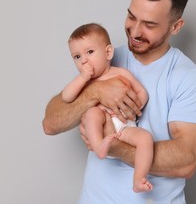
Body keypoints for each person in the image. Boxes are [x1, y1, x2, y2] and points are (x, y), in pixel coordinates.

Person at [43, 0, 196, 203]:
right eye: (132, 17)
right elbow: (51, 123)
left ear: (176, 27)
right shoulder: (104, 60)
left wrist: (117, 148)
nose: (134, 32)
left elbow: (187, 160)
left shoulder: (189, 79)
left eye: (150, 24)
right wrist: (95, 92)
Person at [61, 23, 153, 192]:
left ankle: (138, 179)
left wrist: (132, 110)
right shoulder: (84, 82)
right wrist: (82, 78)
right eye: (77, 57)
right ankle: (99, 147)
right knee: (92, 113)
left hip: (124, 127)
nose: (84, 60)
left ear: (108, 52)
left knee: (146, 139)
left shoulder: (121, 73)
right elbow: (66, 96)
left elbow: (142, 93)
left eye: (89, 52)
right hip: (102, 130)